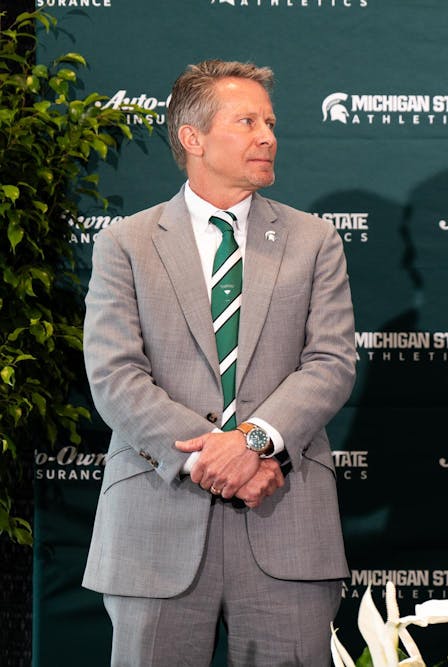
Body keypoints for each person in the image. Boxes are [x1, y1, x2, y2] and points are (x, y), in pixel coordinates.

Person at [82, 60, 356, 665]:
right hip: (156, 523)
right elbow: (115, 376)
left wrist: (253, 441)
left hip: (284, 517)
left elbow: (331, 363)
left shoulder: (315, 241)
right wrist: (217, 452)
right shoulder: (125, 243)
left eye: (271, 122)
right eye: (247, 120)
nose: (268, 136)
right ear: (193, 138)